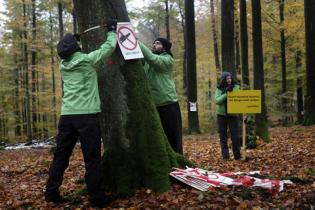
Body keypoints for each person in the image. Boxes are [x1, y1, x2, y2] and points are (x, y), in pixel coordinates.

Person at [44, 21, 117, 208]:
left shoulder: (63, 64)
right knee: (92, 158)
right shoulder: (86, 60)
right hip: (87, 116)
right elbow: (107, 48)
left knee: (61, 156)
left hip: (67, 116)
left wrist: (73, 41)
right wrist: (111, 32)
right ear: (76, 48)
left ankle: (51, 193)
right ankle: (97, 197)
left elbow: (67, 51)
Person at [139, 38, 183, 154]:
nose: (154, 44)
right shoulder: (148, 62)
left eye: (158, 43)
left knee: (173, 137)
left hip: (168, 104)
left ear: (165, 47)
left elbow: (153, 59)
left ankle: (177, 162)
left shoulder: (167, 59)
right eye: (153, 42)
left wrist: (136, 41)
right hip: (154, 105)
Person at [214, 71, 241, 160]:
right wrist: (226, 94)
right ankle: (225, 157)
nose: (229, 80)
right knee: (223, 136)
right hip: (221, 115)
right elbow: (217, 101)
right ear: (223, 80)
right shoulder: (219, 89)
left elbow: (241, 98)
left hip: (233, 115)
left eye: (230, 78)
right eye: (227, 79)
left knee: (235, 136)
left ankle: (237, 156)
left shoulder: (237, 87)